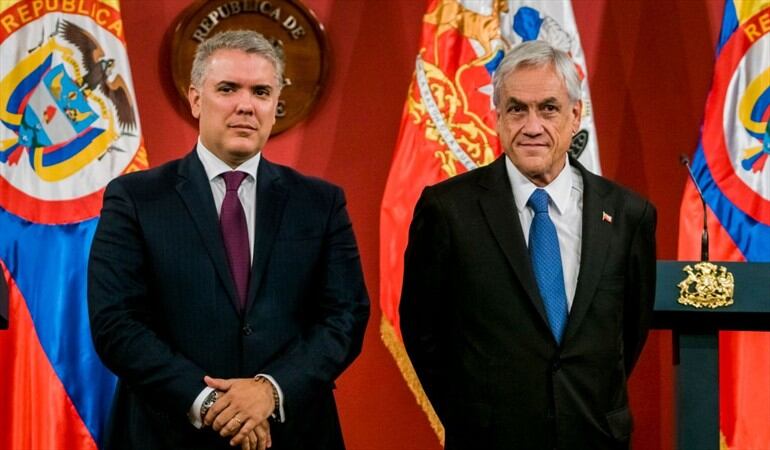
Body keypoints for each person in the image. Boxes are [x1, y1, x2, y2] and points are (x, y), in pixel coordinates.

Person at [88, 30, 369, 450]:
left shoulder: (321, 203)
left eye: (260, 91)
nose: (245, 105)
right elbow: (116, 323)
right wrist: (207, 402)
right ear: (196, 99)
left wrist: (270, 391)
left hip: (292, 432)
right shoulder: (135, 198)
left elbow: (345, 317)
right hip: (167, 431)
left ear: (276, 104)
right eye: (227, 89)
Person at [400, 40, 656, 450]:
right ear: (498, 117)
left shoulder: (628, 214)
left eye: (548, 108)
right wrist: (471, 417)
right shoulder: (448, 209)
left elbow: (630, 329)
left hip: (594, 436)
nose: (532, 126)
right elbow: (423, 330)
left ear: (575, 115)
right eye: (517, 108)